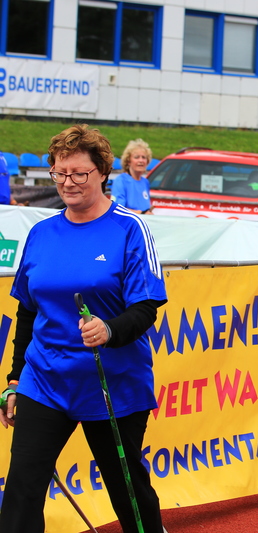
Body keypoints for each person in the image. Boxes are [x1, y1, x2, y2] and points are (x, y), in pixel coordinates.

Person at [0, 124, 168, 533]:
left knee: (127, 491)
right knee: (21, 489)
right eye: (59, 173)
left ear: (103, 172)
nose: (68, 182)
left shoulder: (130, 228)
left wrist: (109, 330)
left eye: (79, 173)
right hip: (45, 380)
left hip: (112, 383)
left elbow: (146, 307)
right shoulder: (41, 233)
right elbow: (27, 312)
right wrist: (15, 379)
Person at [111, 138, 153, 214]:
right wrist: (141, 213)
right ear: (128, 161)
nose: (141, 160)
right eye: (136, 157)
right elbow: (117, 209)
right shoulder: (121, 180)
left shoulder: (145, 182)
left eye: (144, 157)